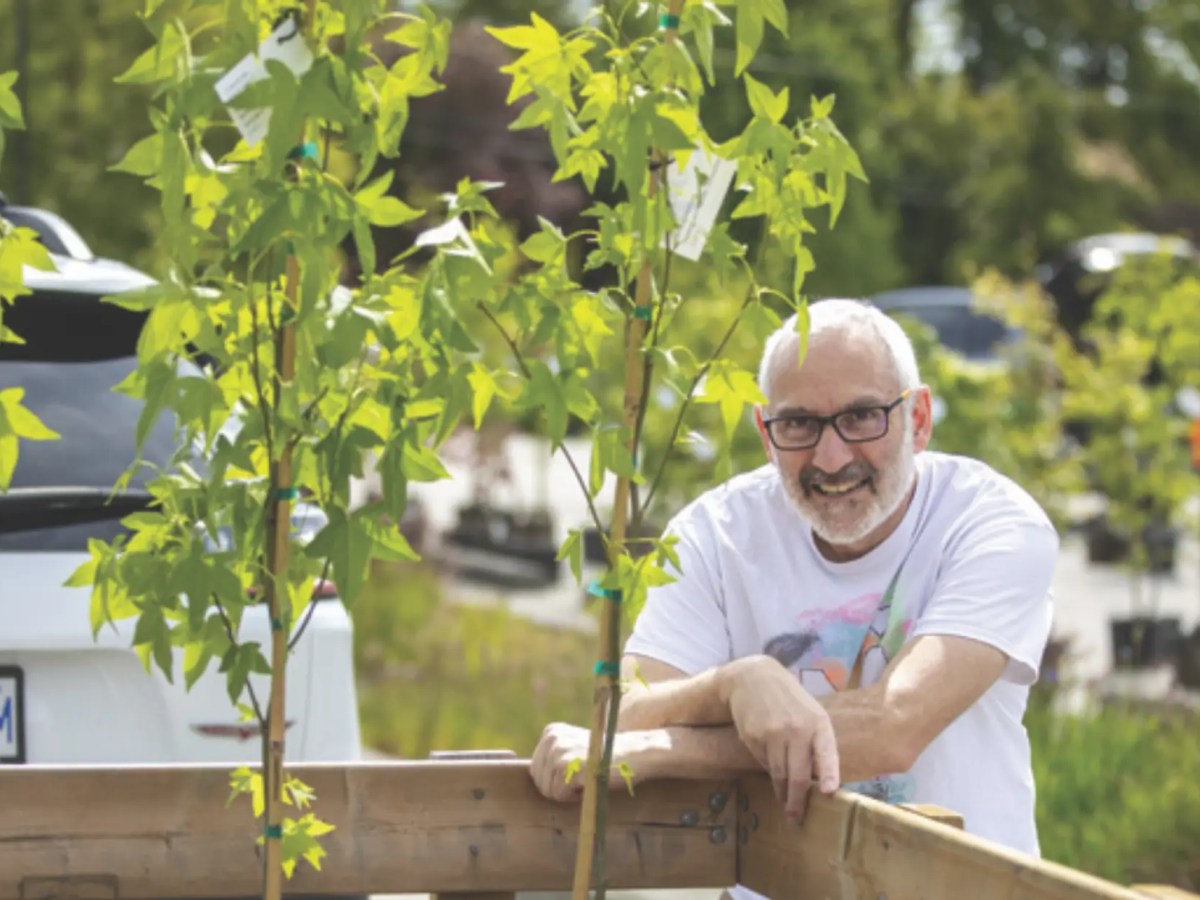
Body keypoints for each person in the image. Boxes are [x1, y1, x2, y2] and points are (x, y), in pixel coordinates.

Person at [529, 298, 1058, 879]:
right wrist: (733, 684)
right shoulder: (716, 534)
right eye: (799, 424)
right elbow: (623, 719)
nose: (831, 457)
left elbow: (894, 727)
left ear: (920, 419)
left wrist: (668, 750)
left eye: (861, 417)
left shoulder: (992, 524)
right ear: (764, 431)